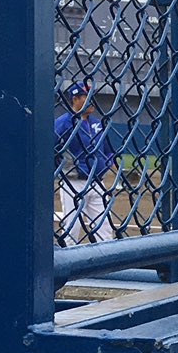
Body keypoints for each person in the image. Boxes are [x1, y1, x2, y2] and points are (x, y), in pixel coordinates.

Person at [53, 78, 117, 243]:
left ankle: (106, 259)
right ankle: (68, 259)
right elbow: (50, 150)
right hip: (73, 183)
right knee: (72, 230)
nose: (92, 100)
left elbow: (108, 150)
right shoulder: (63, 124)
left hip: (97, 182)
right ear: (75, 99)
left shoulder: (98, 123)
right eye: (87, 96)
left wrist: (109, 166)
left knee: (105, 230)